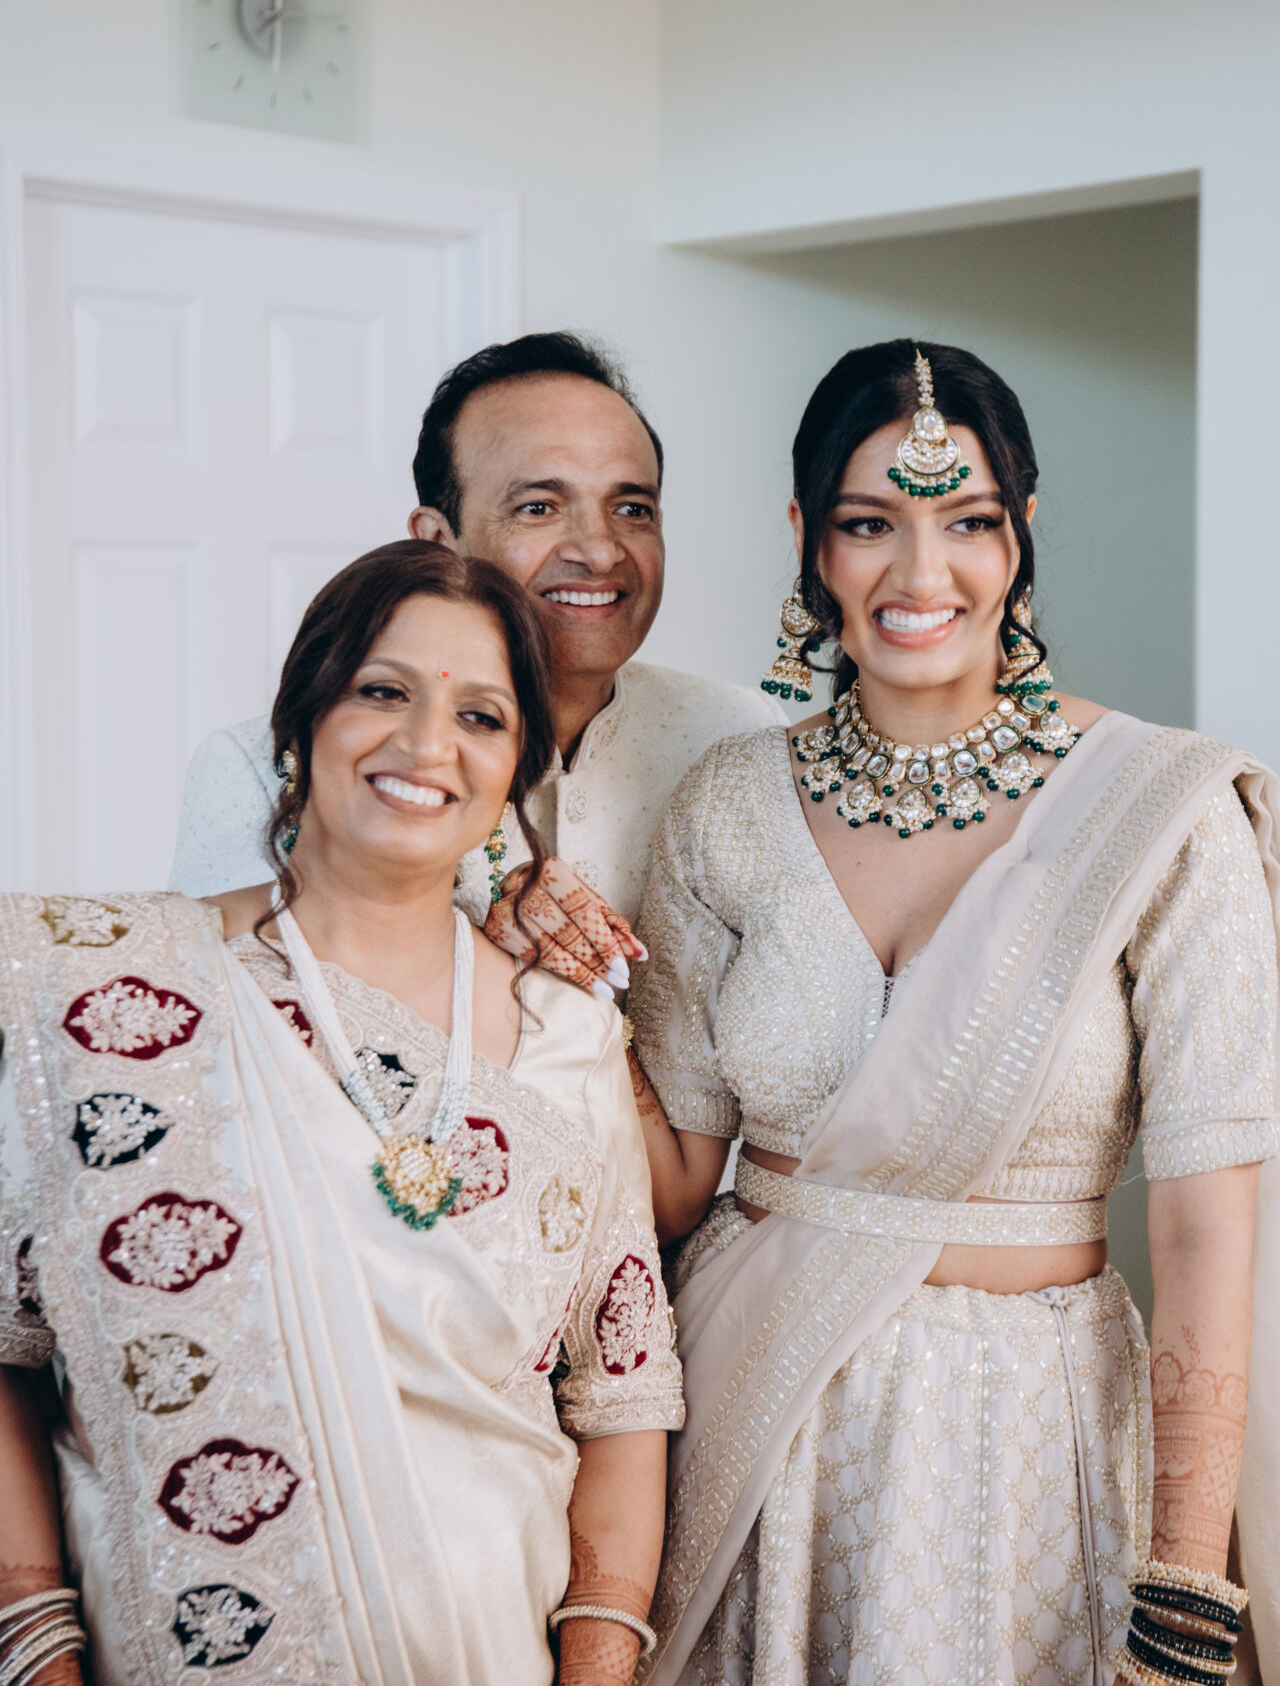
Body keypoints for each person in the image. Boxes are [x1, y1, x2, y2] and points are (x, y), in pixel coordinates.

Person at [626, 341, 1280, 1684]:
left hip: (1029, 1433)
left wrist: (1184, 1582)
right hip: (754, 1410)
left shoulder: (1159, 812)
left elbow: (1207, 1229)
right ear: (808, 540)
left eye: (967, 522)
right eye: (870, 523)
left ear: (1021, 532)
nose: (921, 575)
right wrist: (523, 969)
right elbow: (676, 1173)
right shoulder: (725, 805)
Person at [0, 540, 683, 1686]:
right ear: (301, 719)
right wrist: (35, 1644)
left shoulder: (572, 1039)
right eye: (382, 692)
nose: (426, 745)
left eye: (479, 716)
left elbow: (622, 1398)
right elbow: (9, 1350)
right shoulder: (121, 996)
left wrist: (597, 1668)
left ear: (514, 771)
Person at [170, 332, 782, 987]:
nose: (600, 551)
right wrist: (469, 940)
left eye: (632, 509)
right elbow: (242, 1016)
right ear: (438, 540)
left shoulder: (737, 736)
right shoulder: (275, 765)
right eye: (538, 507)